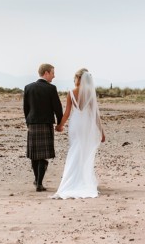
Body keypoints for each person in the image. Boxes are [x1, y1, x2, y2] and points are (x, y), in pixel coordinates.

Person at [52, 68, 106, 199]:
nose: (74, 80)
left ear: (79, 78)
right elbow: (95, 116)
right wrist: (102, 132)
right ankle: (83, 179)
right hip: (87, 124)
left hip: (76, 124)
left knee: (75, 149)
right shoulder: (90, 93)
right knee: (84, 151)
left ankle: (71, 178)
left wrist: (60, 125)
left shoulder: (71, 92)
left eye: (75, 78)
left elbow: (67, 113)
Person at [23, 63, 64, 192]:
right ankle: (39, 183)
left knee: (34, 155)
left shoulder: (28, 87)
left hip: (33, 124)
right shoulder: (51, 88)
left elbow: (26, 108)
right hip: (46, 124)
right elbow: (57, 107)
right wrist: (60, 124)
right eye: (52, 73)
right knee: (43, 155)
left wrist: (28, 122)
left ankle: (37, 180)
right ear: (46, 73)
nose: (54, 75)